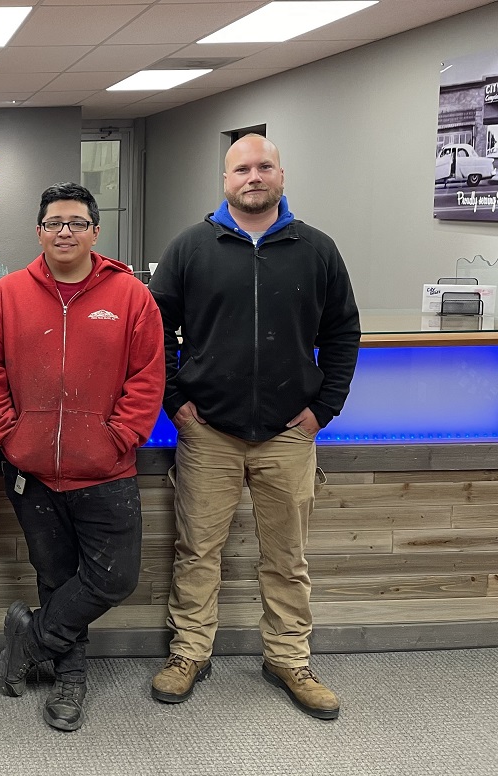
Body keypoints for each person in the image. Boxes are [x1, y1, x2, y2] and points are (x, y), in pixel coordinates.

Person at [147, 134, 360, 720]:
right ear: (225, 180)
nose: (253, 176)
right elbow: (154, 332)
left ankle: (288, 658)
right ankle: (189, 652)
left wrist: (324, 409)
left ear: (281, 175)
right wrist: (177, 404)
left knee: (287, 556)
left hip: (289, 433)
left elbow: (343, 333)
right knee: (197, 551)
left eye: (264, 166)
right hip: (207, 431)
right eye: (241, 168)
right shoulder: (190, 248)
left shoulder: (316, 249)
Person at [0, 182, 164, 732]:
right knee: (55, 577)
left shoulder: (131, 297)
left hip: (106, 469)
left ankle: (31, 640)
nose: (65, 232)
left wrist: (118, 437)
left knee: (114, 578)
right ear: (38, 231)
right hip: (31, 471)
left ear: (94, 232)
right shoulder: (8, 295)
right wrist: (12, 437)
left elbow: (148, 377)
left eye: (76, 223)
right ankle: (70, 678)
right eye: (55, 222)